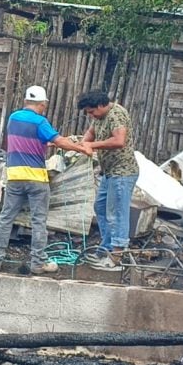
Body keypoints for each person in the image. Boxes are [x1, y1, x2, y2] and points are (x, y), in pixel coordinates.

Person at [0, 85, 90, 274]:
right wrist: (82, 148)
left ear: (27, 101)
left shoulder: (13, 118)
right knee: (38, 221)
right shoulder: (41, 122)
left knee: (6, 218)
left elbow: (28, 140)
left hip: (14, 177)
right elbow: (60, 141)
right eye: (44, 105)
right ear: (42, 104)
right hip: (36, 179)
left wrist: (45, 142)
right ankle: (38, 263)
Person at [78, 90, 139, 271]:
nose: (90, 115)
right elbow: (90, 134)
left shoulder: (117, 114)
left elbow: (119, 140)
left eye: (91, 111)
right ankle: (106, 247)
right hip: (109, 172)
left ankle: (117, 257)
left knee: (117, 213)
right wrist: (81, 144)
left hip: (123, 172)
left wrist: (92, 145)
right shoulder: (99, 117)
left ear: (101, 105)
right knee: (101, 207)